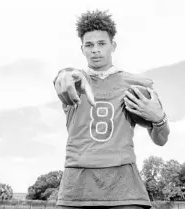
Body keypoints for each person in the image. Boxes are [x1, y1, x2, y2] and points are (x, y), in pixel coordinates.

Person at [53, 10, 170, 209]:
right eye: (89, 45)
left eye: (101, 44)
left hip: (123, 185)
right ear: (82, 49)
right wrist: (62, 76)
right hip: (77, 184)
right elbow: (63, 76)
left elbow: (161, 139)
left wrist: (159, 119)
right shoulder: (74, 80)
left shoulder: (132, 84)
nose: (95, 50)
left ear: (113, 46)